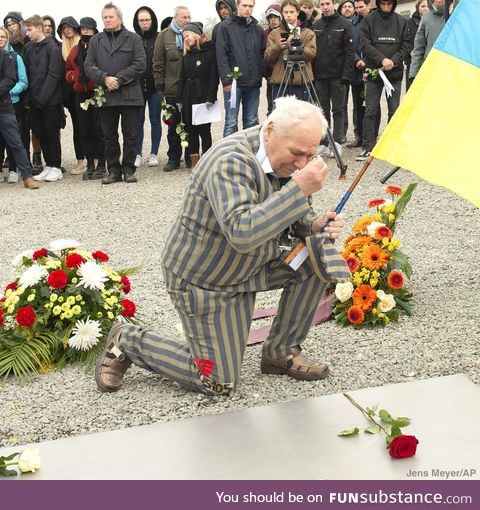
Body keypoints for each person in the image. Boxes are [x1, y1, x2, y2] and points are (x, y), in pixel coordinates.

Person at [95, 96, 349, 396]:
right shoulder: (230, 160)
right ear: (269, 131)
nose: (301, 164)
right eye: (296, 153)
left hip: (254, 264)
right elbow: (243, 231)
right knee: (217, 381)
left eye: (309, 155)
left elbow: (295, 216)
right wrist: (298, 188)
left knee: (316, 254)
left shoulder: (289, 160)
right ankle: (128, 341)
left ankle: (281, 352)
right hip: (207, 280)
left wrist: (313, 225)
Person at [85, 2, 146, 184]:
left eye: (111, 17)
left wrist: (118, 79)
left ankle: (128, 168)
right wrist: (104, 78)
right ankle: (113, 170)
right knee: (109, 134)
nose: (107, 20)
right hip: (106, 95)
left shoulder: (134, 39)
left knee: (130, 134)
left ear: (119, 17)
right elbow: (88, 65)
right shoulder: (96, 40)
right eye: (105, 17)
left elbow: (140, 64)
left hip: (130, 95)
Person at [356, 0, 410, 161]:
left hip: (394, 73)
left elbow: (407, 46)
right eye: (383, 4)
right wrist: (382, 60)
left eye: (389, 4)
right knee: (370, 110)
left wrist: (393, 60)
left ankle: (392, 146)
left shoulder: (402, 21)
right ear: (378, 4)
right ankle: (368, 147)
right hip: (375, 72)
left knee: (394, 110)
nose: (386, 7)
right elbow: (365, 44)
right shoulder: (368, 20)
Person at [23, 15, 65, 182]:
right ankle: (49, 166)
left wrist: (43, 99)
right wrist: (30, 99)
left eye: (30, 29)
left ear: (39, 28)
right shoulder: (29, 48)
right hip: (34, 100)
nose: (27, 33)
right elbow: (27, 74)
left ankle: (56, 167)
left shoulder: (53, 48)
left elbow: (54, 75)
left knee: (52, 133)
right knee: (40, 133)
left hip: (51, 100)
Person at [216, 0, 265, 137]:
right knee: (231, 122)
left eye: (250, 6)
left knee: (252, 122)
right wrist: (226, 81)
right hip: (233, 84)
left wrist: (259, 74)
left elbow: (262, 54)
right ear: (237, 6)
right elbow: (222, 55)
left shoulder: (257, 29)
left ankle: (250, 155)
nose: (247, 9)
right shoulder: (225, 27)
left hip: (253, 83)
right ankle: (228, 156)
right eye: (244, 5)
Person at [65, 17, 106, 181]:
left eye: (89, 29)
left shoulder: (99, 47)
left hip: (96, 92)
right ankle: (89, 163)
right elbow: (67, 68)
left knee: (99, 129)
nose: (86, 31)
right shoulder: (75, 50)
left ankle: (101, 163)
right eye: (83, 29)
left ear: (95, 30)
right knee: (85, 129)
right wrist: (73, 76)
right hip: (80, 92)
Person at [312, 0, 354, 158]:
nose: (325, 7)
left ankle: (336, 142)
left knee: (338, 110)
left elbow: (350, 52)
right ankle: (323, 142)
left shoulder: (344, 24)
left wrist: (346, 76)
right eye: (322, 4)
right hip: (320, 76)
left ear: (333, 4)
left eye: (328, 3)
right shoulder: (316, 25)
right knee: (322, 112)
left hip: (338, 77)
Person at [153, 6, 192, 172]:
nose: (187, 20)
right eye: (184, 17)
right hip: (171, 88)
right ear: (175, 18)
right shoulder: (164, 36)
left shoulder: (192, 35)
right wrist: (160, 84)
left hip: (189, 89)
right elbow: (158, 61)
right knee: (173, 125)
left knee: (190, 124)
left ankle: (191, 156)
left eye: (189, 17)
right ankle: (173, 158)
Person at [176, 22, 218, 169]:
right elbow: (182, 78)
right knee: (191, 129)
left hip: (204, 94)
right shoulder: (186, 55)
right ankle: (194, 160)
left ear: (195, 34)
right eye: (184, 37)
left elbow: (214, 77)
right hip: (189, 95)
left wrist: (210, 97)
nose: (186, 39)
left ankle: (207, 161)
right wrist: (179, 99)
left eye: (187, 35)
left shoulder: (210, 51)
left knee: (204, 130)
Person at [0, 36, 38, 189]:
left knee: (16, 143)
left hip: (4, 107)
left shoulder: (6, 56)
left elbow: (10, 79)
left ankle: (27, 177)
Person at [265, 0, 316, 102]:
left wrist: (299, 45)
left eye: (291, 12)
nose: (288, 15)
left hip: (301, 82)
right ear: (282, 13)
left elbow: (311, 55)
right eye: (285, 12)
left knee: (301, 117)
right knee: (280, 117)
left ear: (297, 12)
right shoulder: (274, 33)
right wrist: (278, 46)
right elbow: (268, 58)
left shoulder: (308, 33)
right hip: (280, 82)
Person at [133, 6, 161, 169]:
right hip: (137, 88)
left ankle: (154, 153)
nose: (144, 23)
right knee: (138, 121)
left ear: (152, 20)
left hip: (155, 87)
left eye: (147, 20)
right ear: (137, 22)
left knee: (155, 119)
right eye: (141, 20)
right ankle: (137, 154)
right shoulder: (133, 38)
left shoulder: (159, 37)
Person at [0, 26, 29, 184]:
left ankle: (25, 174)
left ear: (7, 38)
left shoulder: (12, 57)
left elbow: (13, 80)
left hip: (7, 104)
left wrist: (9, 92)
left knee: (16, 142)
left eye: (3, 37)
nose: (1, 39)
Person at [57, 16, 86, 175]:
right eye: (63, 28)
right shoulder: (61, 48)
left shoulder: (82, 44)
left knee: (91, 126)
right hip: (70, 94)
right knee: (78, 127)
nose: (67, 30)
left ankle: (96, 159)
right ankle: (80, 159)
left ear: (75, 28)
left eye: (69, 27)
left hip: (86, 91)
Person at [409, 0, 445, 82]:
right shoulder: (426, 17)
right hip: (431, 70)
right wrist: (413, 74)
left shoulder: (458, 14)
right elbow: (419, 47)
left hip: (455, 68)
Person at [338, 0, 356, 144]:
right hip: (341, 70)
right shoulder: (338, 24)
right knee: (341, 104)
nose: (347, 8)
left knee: (359, 102)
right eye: (345, 6)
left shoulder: (361, 23)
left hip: (358, 69)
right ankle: (342, 133)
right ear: (340, 9)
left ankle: (358, 133)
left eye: (350, 6)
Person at [405, 0, 429, 90]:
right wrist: (411, 52)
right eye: (423, 6)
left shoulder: (434, 20)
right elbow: (405, 41)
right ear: (417, 8)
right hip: (412, 62)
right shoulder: (409, 23)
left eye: (427, 6)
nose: (426, 9)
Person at [263, 3, 282, 115]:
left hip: (286, 76)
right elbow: (262, 55)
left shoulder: (288, 31)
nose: (273, 20)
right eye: (270, 17)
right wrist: (267, 75)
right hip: (271, 77)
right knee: (272, 109)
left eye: (275, 17)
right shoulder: (264, 34)